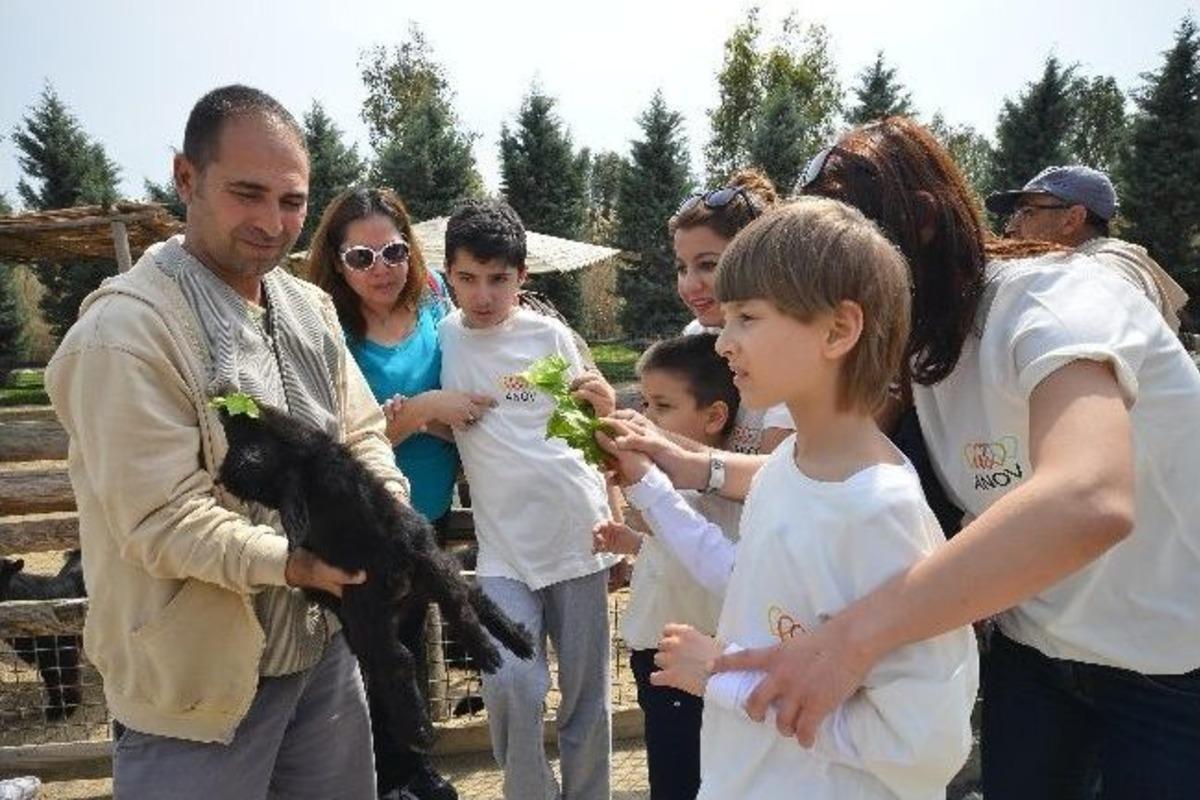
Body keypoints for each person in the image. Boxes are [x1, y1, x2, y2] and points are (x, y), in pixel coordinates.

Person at [615, 117, 1200, 799]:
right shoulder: (929, 344)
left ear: (916, 223)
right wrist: (680, 465)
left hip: (1172, 661)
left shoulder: (1054, 303)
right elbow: (819, 473)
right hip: (1037, 652)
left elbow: (1089, 497)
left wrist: (848, 640)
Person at [43, 85, 401, 799]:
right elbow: (160, 519)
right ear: (186, 178)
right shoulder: (124, 335)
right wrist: (296, 565)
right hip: (195, 692)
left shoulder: (308, 306)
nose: (273, 222)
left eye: (292, 201)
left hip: (323, 657)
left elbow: (361, 432)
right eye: (248, 193)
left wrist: (385, 513)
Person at [601, 198, 977, 799]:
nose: (724, 343)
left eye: (747, 316)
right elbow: (741, 575)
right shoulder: (786, 467)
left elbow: (920, 746)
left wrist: (722, 678)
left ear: (838, 330)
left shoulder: (879, 510)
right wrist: (645, 479)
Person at [437, 199, 621, 800]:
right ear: (449, 275)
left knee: (587, 699)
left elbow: (589, 431)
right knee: (511, 681)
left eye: (499, 278)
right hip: (503, 554)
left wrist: (616, 524)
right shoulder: (445, 337)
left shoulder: (551, 335)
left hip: (578, 536)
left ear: (522, 277)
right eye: (467, 278)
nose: (483, 294)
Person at [308, 187, 478, 800]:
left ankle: (408, 771)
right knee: (367, 656)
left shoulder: (434, 299)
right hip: (363, 522)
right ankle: (380, 778)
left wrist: (422, 417)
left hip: (424, 515)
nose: (381, 267)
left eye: (393, 251)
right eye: (361, 258)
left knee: (404, 648)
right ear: (336, 260)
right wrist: (425, 411)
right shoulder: (326, 327)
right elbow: (343, 434)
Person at [592, 333, 742, 800]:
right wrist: (634, 542)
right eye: (645, 403)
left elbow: (706, 560)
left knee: (685, 780)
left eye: (661, 406)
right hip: (653, 649)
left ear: (715, 416)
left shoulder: (718, 493)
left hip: (691, 655)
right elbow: (677, 558)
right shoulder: (669, 483)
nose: (647, 421)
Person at [671, 169, 793, 454]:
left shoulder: (790, 348)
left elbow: (775, 476)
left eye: (708, 265)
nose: (690, 284)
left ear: (757, 260)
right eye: (681, 268)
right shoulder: (694, 335)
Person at [986, 164, 1188, 331]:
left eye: (1028, 212)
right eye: (1015, 214)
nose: (1012, 227)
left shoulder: (1106, 265)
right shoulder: (1081, 263)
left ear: (1072, 219)